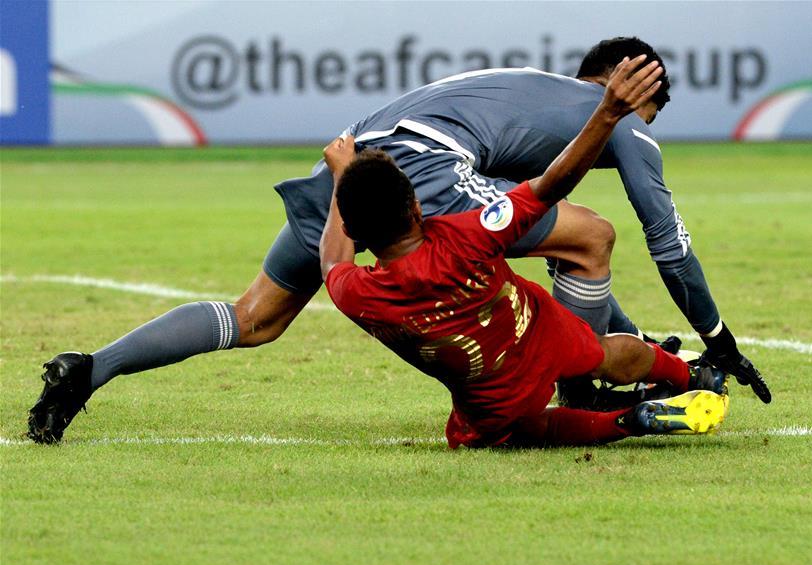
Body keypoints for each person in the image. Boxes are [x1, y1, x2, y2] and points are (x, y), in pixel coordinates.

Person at [27, 38, 767, 444]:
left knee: (255, 318)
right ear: (625, 89)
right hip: (415, 167)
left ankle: (91, 369)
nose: (643, 120)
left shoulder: (524, 86)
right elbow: (665, 243)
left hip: (354, 163)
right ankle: (581, 377)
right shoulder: (622, 119)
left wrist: (351, 178)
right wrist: (715, 334)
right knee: (591, 236)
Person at [319, 57, 728, 448]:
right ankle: (688, 375)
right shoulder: (471, 233)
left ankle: (622, 422)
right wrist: (606, 114)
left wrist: (341, 175)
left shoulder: (358, 293)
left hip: (489, 392)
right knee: (602, 351)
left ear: (353, 230)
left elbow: (333, 262)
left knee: (533, 427)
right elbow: (550, 185)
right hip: (542, 332)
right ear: (417, 207)